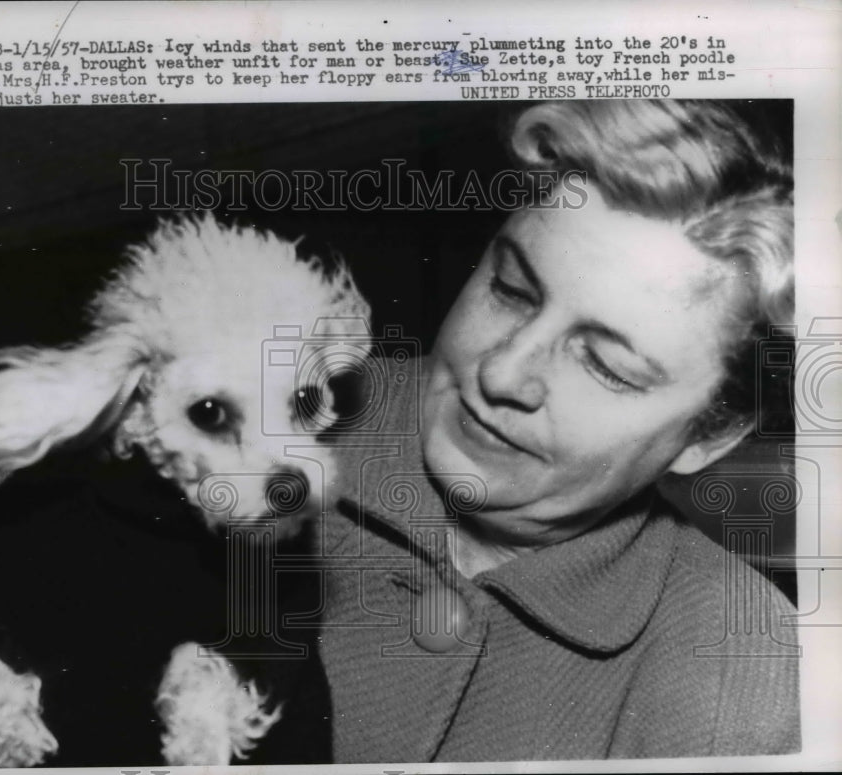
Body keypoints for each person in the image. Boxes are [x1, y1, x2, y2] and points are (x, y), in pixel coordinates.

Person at [318, 100, 799, 762]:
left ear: (707, 436)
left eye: (606, 366)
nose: (504, 372)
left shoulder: (745, 668)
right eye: (512, 290)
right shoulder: (244, 434)